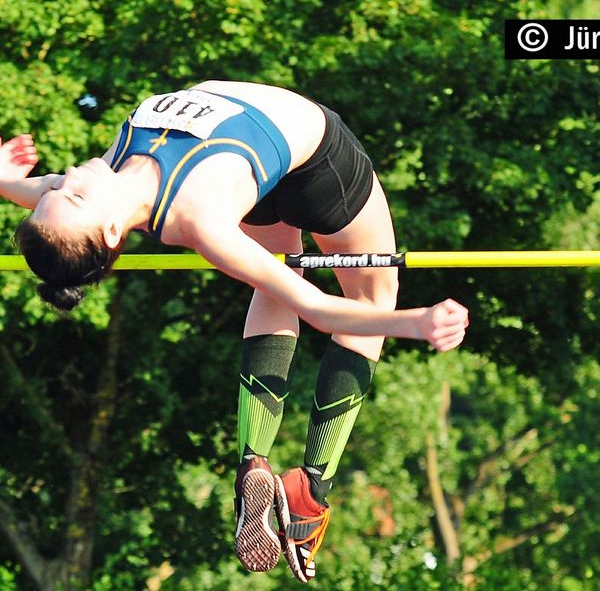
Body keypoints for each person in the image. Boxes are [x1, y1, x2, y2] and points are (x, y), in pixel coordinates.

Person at [0, 81, 468, 582]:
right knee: (371, 297)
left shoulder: (94, 191)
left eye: (59, 187)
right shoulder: (202, 219)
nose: (66, 176)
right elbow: (318, 310)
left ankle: (255, 459)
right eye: (71, 194)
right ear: (112, 233)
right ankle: (311, 490)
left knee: (272, 278)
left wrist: (6, 180)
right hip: (319, 163)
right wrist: (413, 323)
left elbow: (36, 190)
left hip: (263, 182)